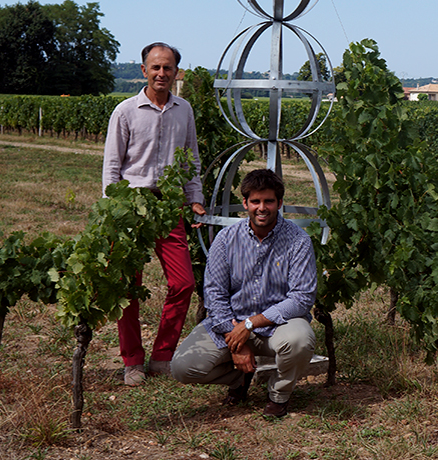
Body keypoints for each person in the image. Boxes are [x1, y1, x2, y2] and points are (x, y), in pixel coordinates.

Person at [172, 169, 317, 418]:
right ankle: (241, 376)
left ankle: (279, 395)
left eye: (269, 201)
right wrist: (235, 339)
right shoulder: (226, 239)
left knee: (300, 341)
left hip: (276, 326)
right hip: (232, 323)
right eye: (256, 201)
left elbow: (301, 298)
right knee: (183, 367)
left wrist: (250, 324)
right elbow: (214, 293)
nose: (262, 208)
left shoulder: (298, 241)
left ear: (279, 203)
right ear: (245, 203)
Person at [102, 42, 206, 386]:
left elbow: (190, 157)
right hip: (131, 207)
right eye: (156, 68)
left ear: (177, 72)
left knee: (183, 282)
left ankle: (163, 355)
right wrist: (111, 209)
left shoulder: (184, 110)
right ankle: (132, 360)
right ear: (143, 70)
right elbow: (112, 165)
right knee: (127, 285)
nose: (162, 74)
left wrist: (195, 197)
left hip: (168, 206)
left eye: (168, 68)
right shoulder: (126, 111)